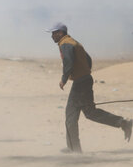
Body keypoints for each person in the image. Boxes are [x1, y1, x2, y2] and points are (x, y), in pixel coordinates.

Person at [47, 23, 132, 152]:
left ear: (60, 33)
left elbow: (68, 62)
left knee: (71, 114)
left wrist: (64, 79)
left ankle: (74, 149)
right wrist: (85, 72)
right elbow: (88, 59)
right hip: (84, 80)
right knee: (90, 113)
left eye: (54, 33)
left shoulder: (65, 44)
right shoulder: (74, 42)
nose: (52, 36)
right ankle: (122, 123)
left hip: (80, 83)